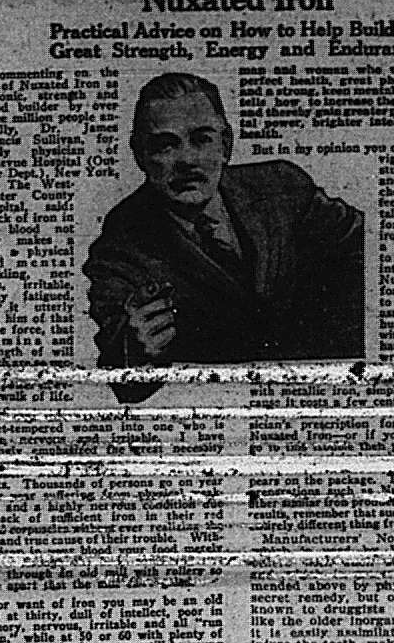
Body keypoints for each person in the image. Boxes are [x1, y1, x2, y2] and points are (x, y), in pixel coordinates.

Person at [83, 70, 365, 399]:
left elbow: (367, 250)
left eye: (202, 139)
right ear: (139, 155)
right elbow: (122, 375)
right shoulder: (121, 246)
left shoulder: (282, 187)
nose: (187, 160)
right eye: (165, 145)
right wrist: (135, 349)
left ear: (226, 144)